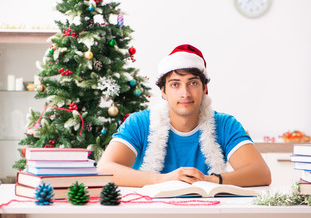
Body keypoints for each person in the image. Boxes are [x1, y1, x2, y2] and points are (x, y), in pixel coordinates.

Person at [97, 44, 271, 187]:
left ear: (204, 89)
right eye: (175, 84)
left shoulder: (225, 124)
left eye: (193, 83)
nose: (185, 93)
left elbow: (261, 173)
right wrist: (162, 180)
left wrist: (211, 180)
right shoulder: (139, 123)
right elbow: (105, 169)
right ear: (163, 91)